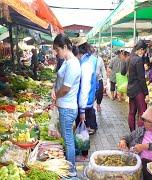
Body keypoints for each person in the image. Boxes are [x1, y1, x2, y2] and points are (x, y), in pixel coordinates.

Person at [51, 34, 81, 176]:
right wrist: (54, 90)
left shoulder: (73, 64)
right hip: (65, 106)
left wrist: (56, 95)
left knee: (68, 140)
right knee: (67, 138)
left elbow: (66, 88)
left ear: (64, 47)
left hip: (67, 108)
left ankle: (71, 171)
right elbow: (59, 81)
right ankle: (70, 168)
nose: (57, 53)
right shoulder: (67, 62)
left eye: (57, 50)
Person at [118, 106, 152, 180]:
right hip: (143, 161)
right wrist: (123, 140)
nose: (145, 123)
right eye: (144, 120)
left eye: (148, 121)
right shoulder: (141, 130)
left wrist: (145, 146)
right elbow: (129, 136)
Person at [122, 40, 148, 132]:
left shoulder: (129, 58)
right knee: (143, 113)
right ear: (141, 49)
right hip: (138, 91)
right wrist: (146, 93)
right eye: (144, 51)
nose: (143, 53)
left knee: (131, 113)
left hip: (130, 90)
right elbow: (142, 78)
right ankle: (140, 134)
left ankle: (132, 133)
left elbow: (122, 72)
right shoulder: (138, 60)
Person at [74, 37, 98, 135]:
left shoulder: (86, 64)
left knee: (81, 134)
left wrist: (82, 110)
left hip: (85, 100)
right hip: (89, 98)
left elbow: (84, 87)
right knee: (83, 132)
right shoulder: (90, 59)